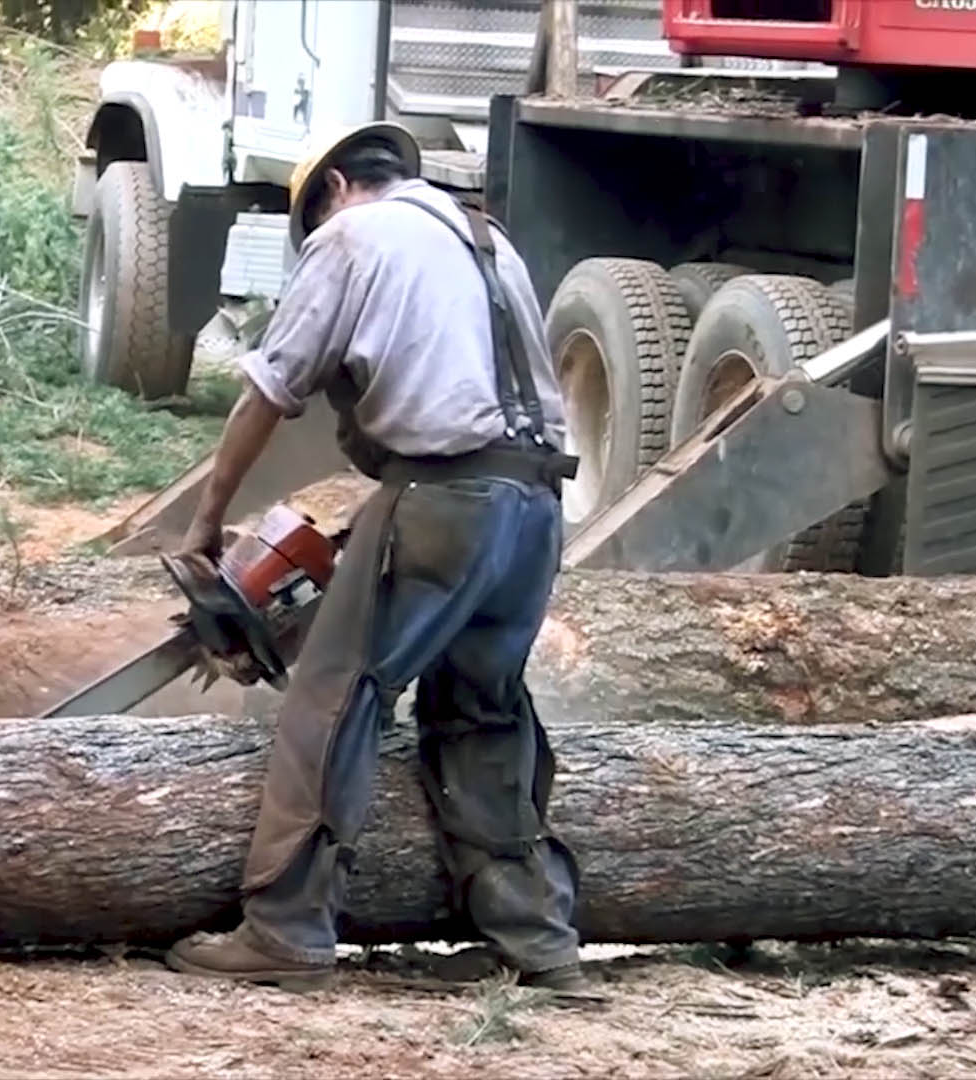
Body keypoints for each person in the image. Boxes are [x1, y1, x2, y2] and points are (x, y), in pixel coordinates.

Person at [163, 123, 590, 993]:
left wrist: (205, 526)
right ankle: (537, 941)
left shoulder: (350, 235)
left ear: (331, 189)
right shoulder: (487, 239)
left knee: (334, 694)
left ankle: (285, 928)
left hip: (448, 497)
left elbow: (270, 392)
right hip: (537, 509)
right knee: (483, 709)